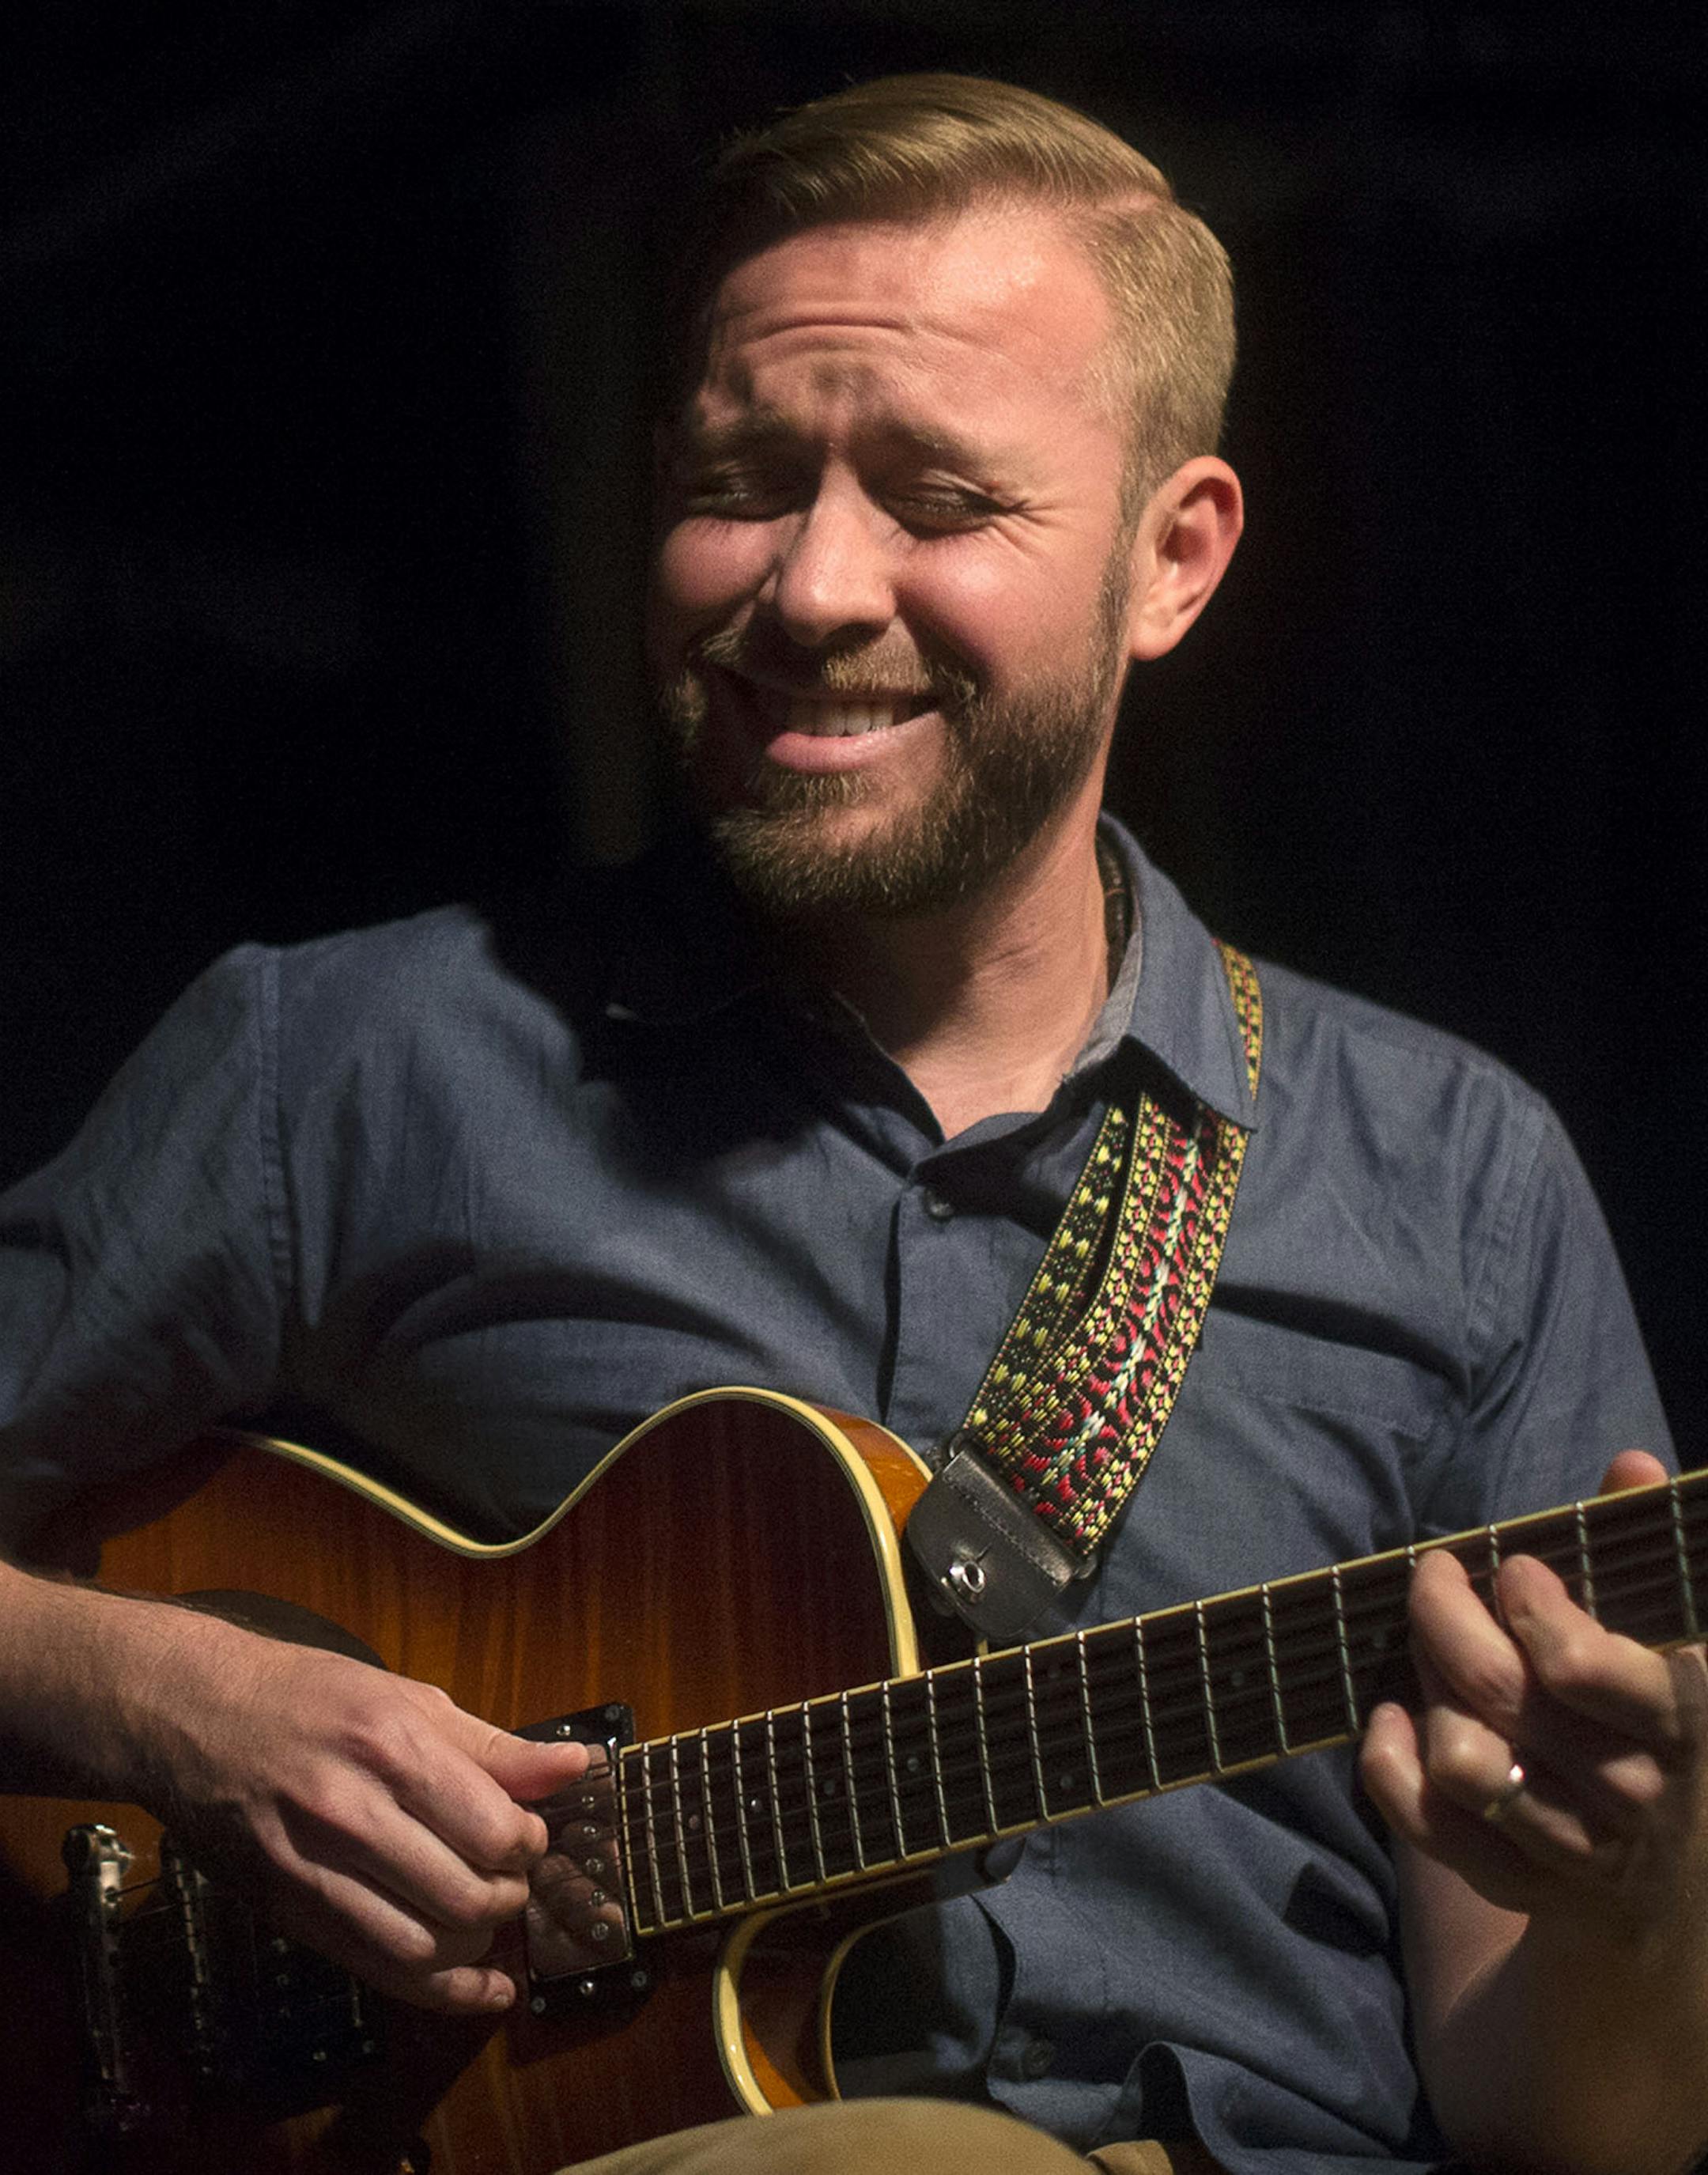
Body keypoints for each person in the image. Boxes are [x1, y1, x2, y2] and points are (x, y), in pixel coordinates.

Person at [2, 71, 1704, 2175]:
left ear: (1171, 561)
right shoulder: (343, 1066)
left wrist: (1627, 1898)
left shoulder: (1458, 1183)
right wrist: (169, 1708)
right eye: (737, 479)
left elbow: (1579, 2139)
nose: (809, 585)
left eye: (935, 497)